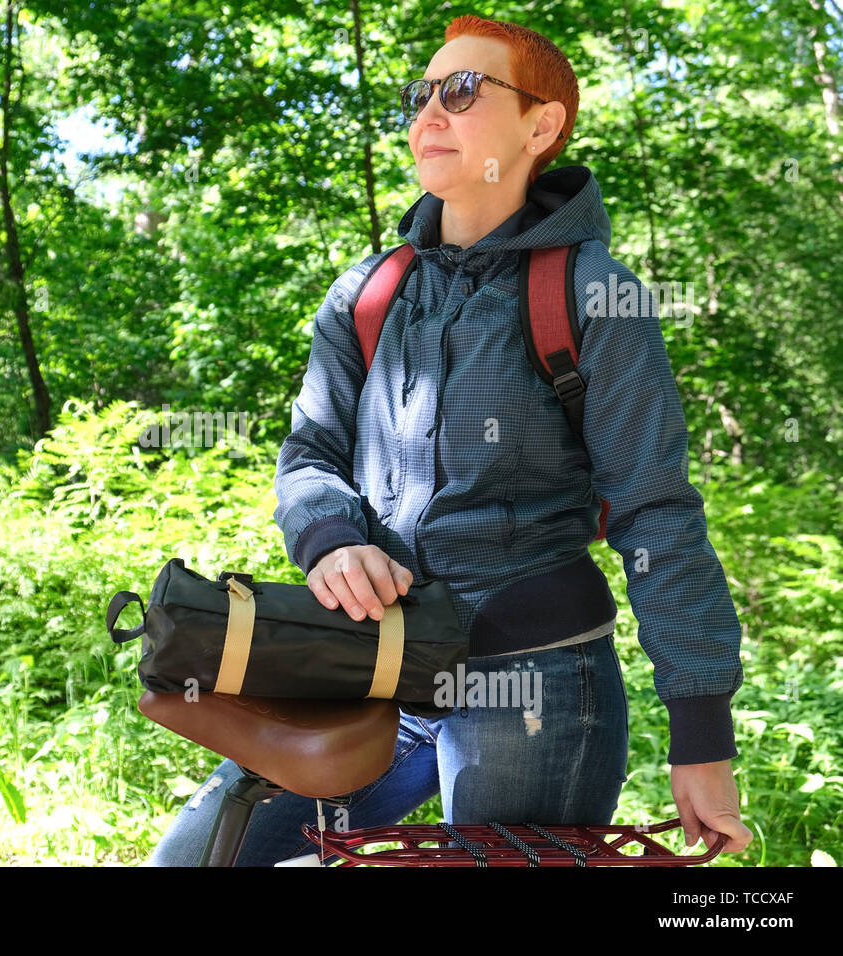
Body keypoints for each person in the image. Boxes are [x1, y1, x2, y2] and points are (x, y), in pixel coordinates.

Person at [147, 14, 753, 866]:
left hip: (535, 683)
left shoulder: (594, 297)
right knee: (196, 859)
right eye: (420, 94)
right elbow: (310, 453)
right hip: (373, 660)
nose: (430, 112)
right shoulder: (368, 291)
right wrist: (329, 541)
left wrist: (700, 735)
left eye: (464, 91)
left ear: (541, 126)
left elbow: (655, 515)